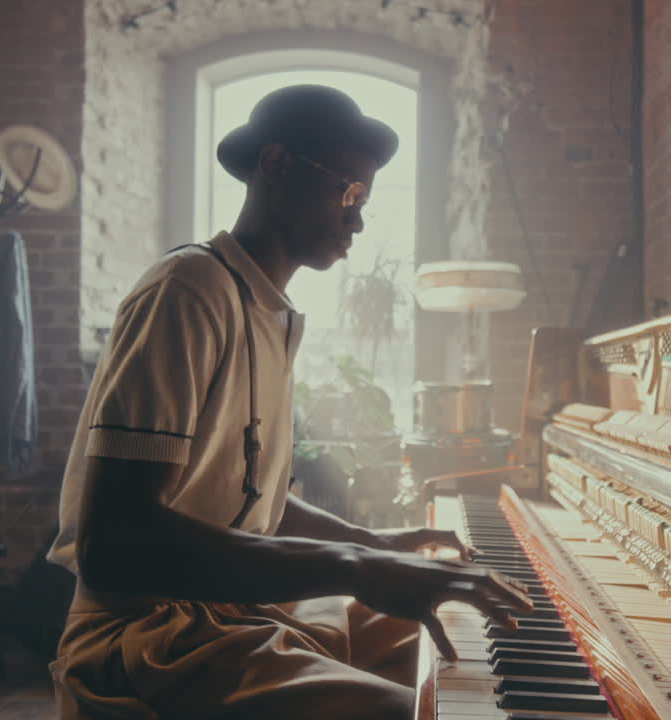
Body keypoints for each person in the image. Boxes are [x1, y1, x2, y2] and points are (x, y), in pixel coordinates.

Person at [45, 85, 532, 719]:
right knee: (436, 712)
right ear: (276, 167)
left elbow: (254, 508)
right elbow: (114, 548)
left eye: (366, 200)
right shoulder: (188, 290)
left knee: (483, 650)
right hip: (150, 634)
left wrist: (371, 542)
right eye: (348, 191)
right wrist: (356, 566)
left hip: (238, 611)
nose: (357, 217)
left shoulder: (269, 312)